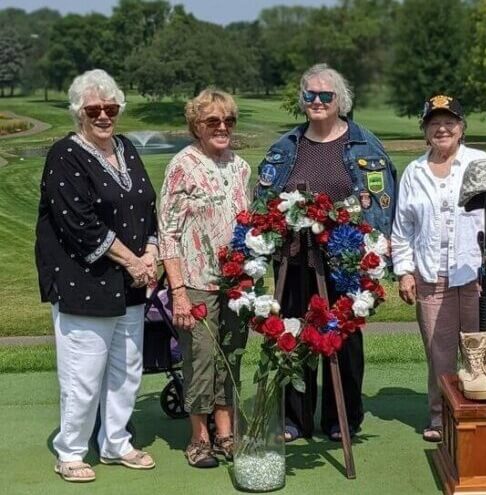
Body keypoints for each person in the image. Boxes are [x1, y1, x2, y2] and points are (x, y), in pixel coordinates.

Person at [254, 63, 397, 442]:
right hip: (295, 260)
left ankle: (342, 417)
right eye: (310, 95)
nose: (317, 101)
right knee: (295, 334)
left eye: (325, 96)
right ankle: (294, 419)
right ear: (302, 100)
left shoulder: (364, 145)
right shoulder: (287, 147)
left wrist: (374, 254)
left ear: (340, 101)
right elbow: (263, 204)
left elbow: (379, 206)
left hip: (344, 263)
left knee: (344, 340)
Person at [35, 69, 158, 482]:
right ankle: (70, 451)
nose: (104, 115)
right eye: (94, 109)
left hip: (131, 283)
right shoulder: (64, 156)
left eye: (111, 108)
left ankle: (115, 443)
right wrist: (134, 260)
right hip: (84, 281)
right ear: (79, 113)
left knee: (127, 369)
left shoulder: (125, 148)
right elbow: (80, 224)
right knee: (83, 375)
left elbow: (147, 206)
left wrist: (153, 252)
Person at [158, 88, 251, 468]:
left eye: (229, 120)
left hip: (237, 283)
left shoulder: (241, 167)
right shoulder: (182, 165)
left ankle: (225, 431)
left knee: (232, 356)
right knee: (200, 359)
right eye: (213, 121)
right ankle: (199, 436)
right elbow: (168, 232)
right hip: (196, 281)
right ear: (196, 126)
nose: (222, 127)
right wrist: (177, 291)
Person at [391, 95, 486, 442]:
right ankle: (440, 417)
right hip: (431, 275)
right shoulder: (414, 172)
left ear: (462, 128)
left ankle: (478, 411)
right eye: (434, 123)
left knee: (480, 347)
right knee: (439, 351)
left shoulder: (480, 162)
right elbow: (402, 229)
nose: (443, 128)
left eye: (449, 122)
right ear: (425, 130)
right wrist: (404, 270)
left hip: (476, 273)